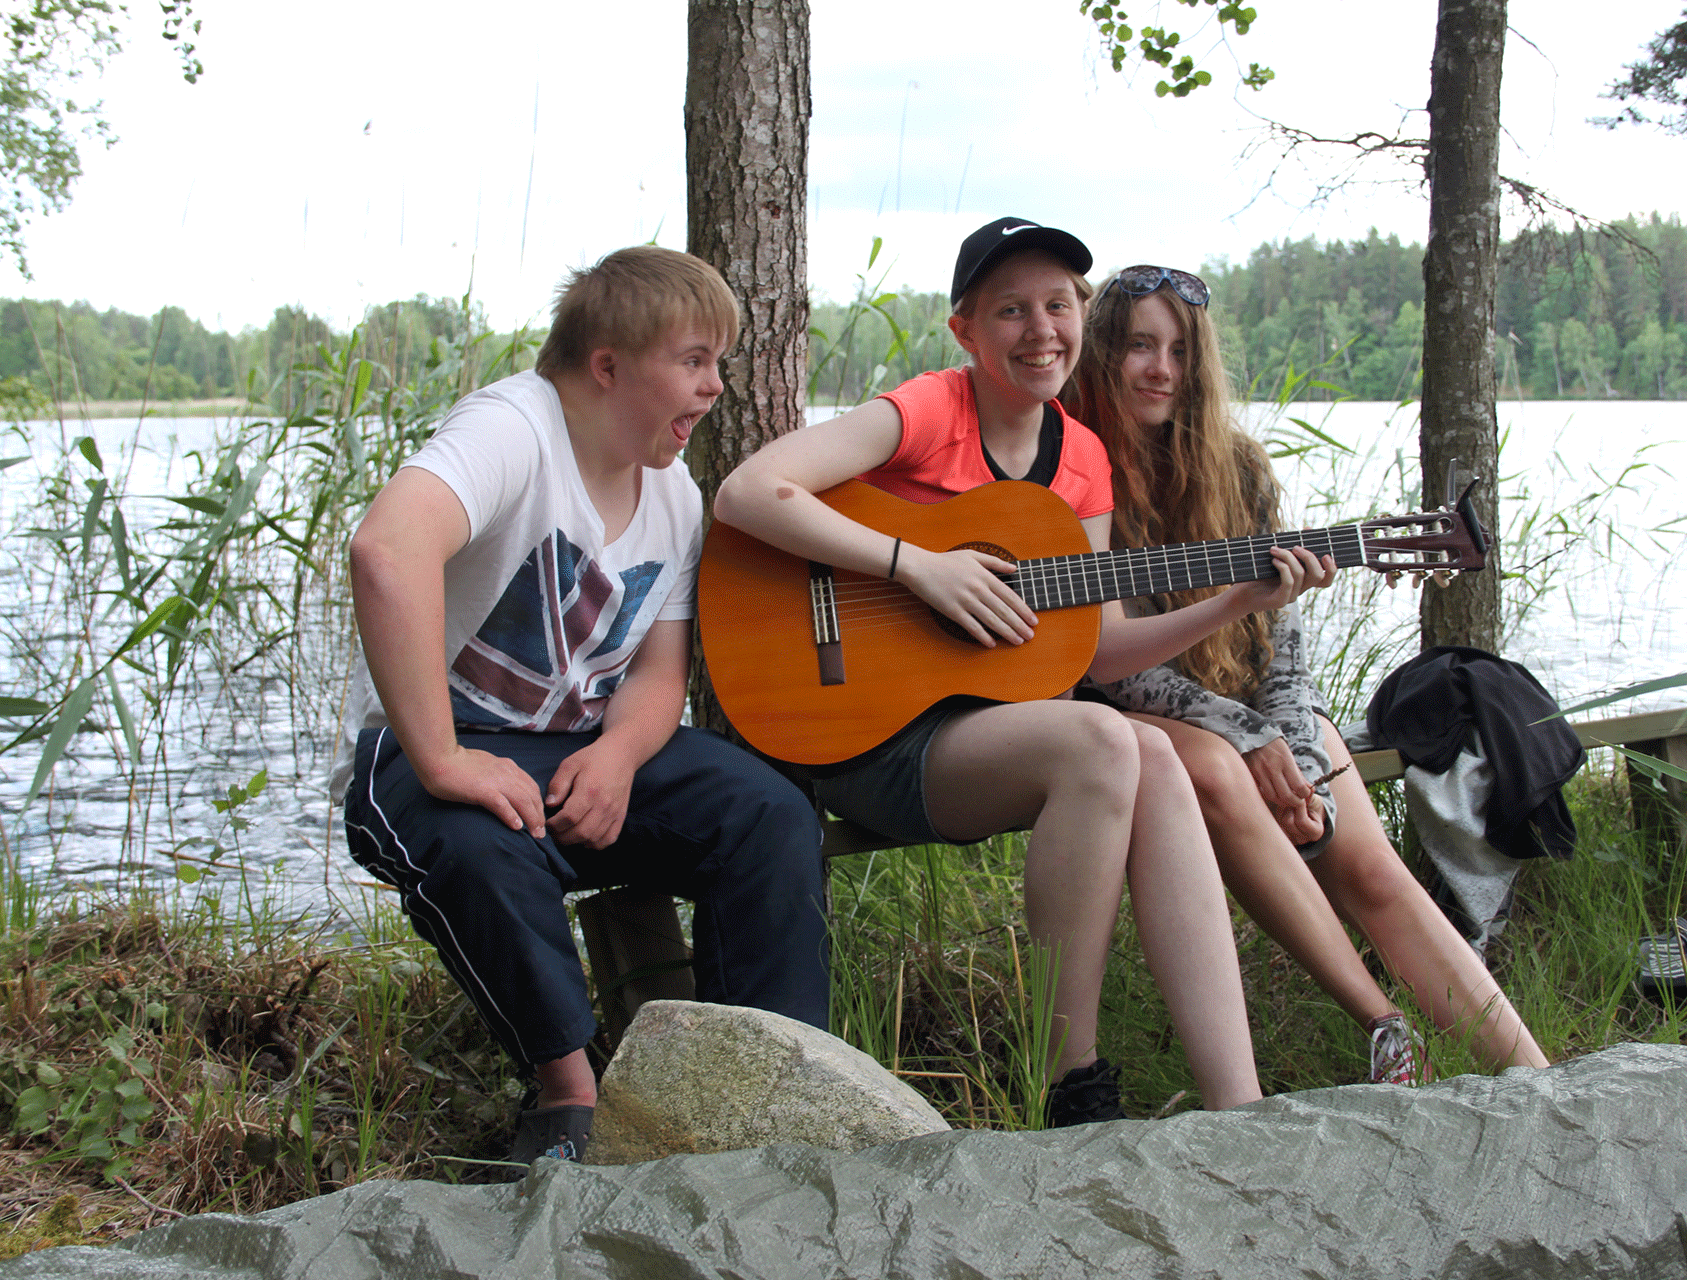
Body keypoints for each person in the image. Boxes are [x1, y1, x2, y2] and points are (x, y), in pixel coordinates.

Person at [713, 218, 1331, 1124]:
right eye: (1011, 310)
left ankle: (1237, 1106)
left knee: (1154, 754)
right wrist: (916, 566)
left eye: (1057, 305)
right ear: (965, 330)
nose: (1041, 330)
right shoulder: (929, 411)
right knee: (1102, 739)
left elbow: (1098, 648)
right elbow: (747, 493)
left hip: (969, 734)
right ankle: (1068, 1081)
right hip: (858, 730)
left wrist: (1235, 601)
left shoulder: (1081, 458)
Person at [338, 246, 829, 1166]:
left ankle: (766, 1084)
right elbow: (387, 550)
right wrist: (443, 759)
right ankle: (571, 1096)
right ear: (607, 365)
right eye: (694, 361)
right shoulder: (513, 430)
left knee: (767, 812)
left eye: (719, 363)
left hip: (579, 749)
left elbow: (659, 674)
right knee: (481, 845)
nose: (715, 386)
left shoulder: (673, 494)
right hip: (428, 746)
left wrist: (616, 757)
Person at [1068, 264, 1550, 1078]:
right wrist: (1248, 736)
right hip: (1139, 713)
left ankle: (1540, 1083)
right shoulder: (1077, 470)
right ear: (1103, 352)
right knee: (1219, 768)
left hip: (1251, 706)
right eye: (1140, 346)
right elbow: (1113, 667)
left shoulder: (1239, 467)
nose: (1161, 370)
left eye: (1180, 351)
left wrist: (1291, 744)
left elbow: (1279, 637)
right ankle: (1384, 1029)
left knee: (1370, 868)